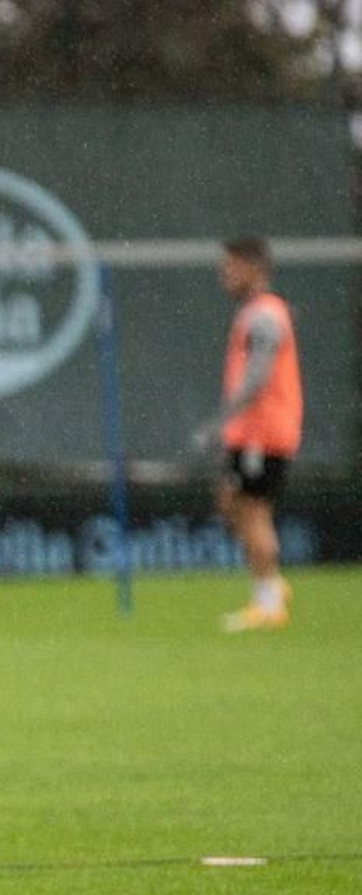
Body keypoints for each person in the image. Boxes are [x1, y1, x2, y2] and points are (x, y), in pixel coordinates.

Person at [195, 235, 303, 632]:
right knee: (231, 503)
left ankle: (268, 602)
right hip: (250, 431)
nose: (223, 275)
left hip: (263, 431)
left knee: (253, 513)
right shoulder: (255, 312)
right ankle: (271, 582)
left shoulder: (264, 316)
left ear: (253, 268)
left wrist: (220, 420)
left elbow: (258, 375)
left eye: (230, 267)